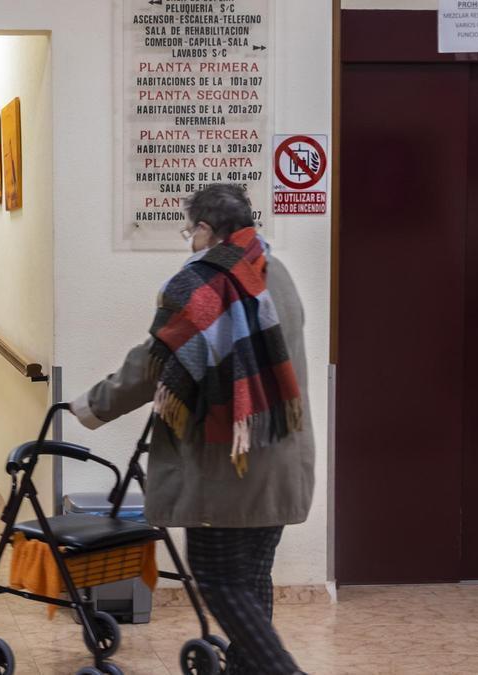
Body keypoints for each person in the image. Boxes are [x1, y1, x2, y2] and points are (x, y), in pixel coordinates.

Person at [70, 183, 313, 675]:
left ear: (205, 229)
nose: (189, 240)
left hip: (227, 468)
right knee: (251, 579)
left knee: (220, 580)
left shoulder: (202, 285)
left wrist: (91, 406)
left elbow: (153, 364)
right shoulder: (273, 269)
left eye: (189, 229)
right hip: (281, 458)